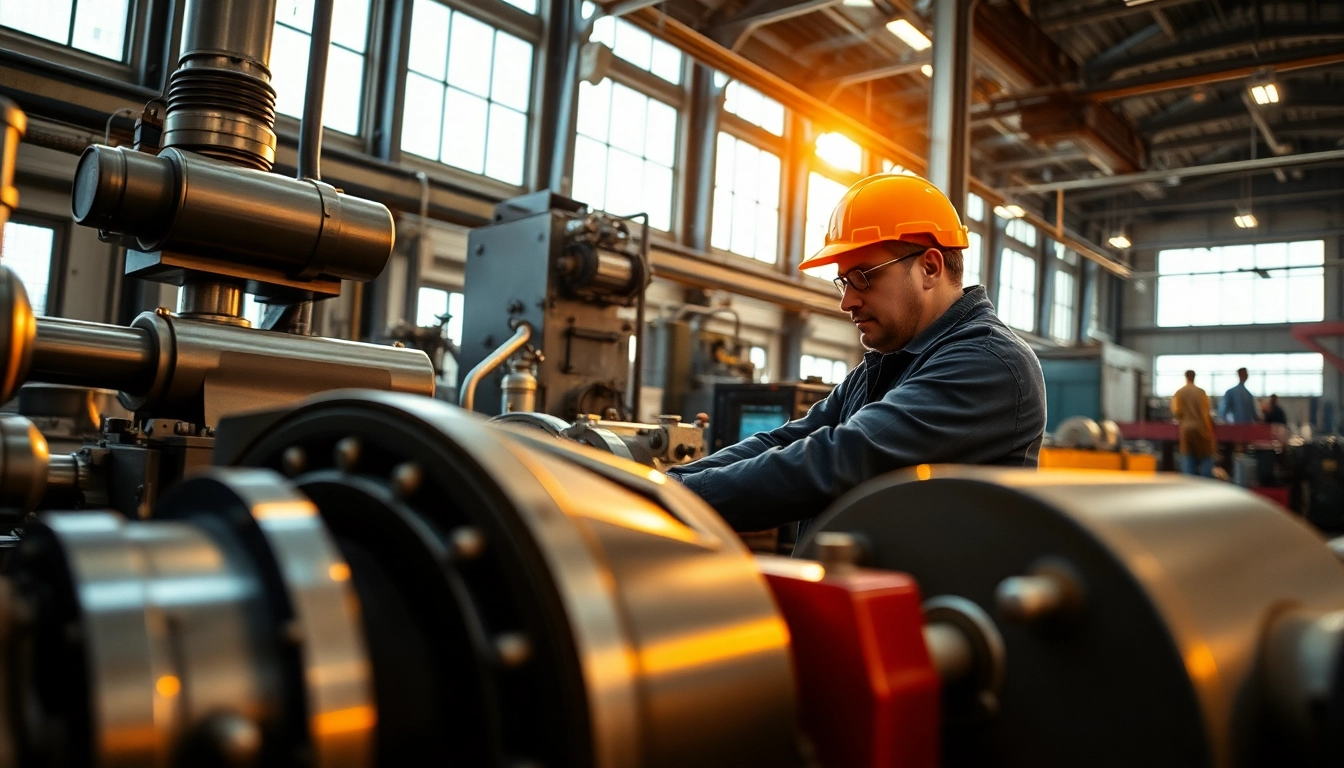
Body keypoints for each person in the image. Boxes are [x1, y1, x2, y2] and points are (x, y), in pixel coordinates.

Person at [666, 173, 1047, 535]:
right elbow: (786, 441)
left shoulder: (990, 362)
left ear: (929, 267)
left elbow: (839, 460)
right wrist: (666, 484)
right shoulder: (890, 363)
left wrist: (674, 498)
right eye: (844, 282)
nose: (847, 301)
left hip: (934, 603)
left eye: (863, 277)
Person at [1171, 370, 1216, 477]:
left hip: (1186, 430)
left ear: (1185, 377)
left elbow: (1176, 411)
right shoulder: (1201, 392)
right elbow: (1207, 411)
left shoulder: (1179, 392)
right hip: (1202, 428)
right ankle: (1206, 483)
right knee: (1206, 457)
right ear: (1194, 377)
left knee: (1188, 458)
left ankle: (1189, 483)